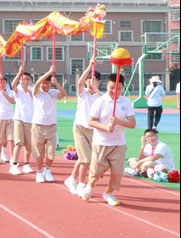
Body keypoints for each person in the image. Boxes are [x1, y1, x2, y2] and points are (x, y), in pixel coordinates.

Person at [82, 73, 136, 206]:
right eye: (112, 88)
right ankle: (90, 185)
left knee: (117, 172)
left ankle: (109, 192)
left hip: (118, 143)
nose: (114, 91)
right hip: (101, 142)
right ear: (107, 86)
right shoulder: (100, 101)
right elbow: (91, 121)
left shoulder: (126, 103)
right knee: (96, 171)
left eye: (118, 88)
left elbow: (132, 124)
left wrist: (118, 121)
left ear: (122, 88)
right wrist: (106, 127)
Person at [63, 59, 101, 196]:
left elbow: (102, 103)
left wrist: (95, 87)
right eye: (89, 80)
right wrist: (90, 66)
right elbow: (79, 83)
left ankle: (72, 179)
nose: (91, 82)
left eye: (94, 80)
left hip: (93, 130)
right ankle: (81, 184)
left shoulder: (100, 96)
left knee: (85, 157)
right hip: (80, 128)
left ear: (98, 82)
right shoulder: (82, 93)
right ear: (86, 81)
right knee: (86, 159)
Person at [31, 65, 67, 183]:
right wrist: (49, 72)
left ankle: (47, 170)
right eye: (43, 83)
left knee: (51, 151)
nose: (44, 85)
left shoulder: (53, 92)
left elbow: (64, 94)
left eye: (46, 83)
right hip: (38, 126)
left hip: (51, 126)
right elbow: (37, 84)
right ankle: (39, 172)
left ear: (50, 84)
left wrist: (56, 83)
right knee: (39, 152)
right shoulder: (37, 92)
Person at [9, 66, 35, 175]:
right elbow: (12, 85)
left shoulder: (33, 90)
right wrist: (19, 72)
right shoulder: (18, 90)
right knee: (19, 142)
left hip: (30, 120)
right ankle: (14, 165)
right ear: (20, 80)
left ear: (31, 81)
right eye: (24, 79)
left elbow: (34, 97)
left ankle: (26, 164)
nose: (26, 81)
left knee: (29, 145)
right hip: (19, 119)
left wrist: (27, 89)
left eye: (28, 79)